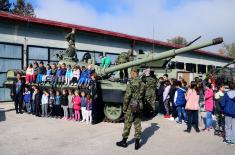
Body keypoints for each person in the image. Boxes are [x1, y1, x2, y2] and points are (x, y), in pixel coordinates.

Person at [116, 67, 145, 150]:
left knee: (127, 124)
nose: (130, 74)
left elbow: (127, 97)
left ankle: (124, 142)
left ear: (133, 73)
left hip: (131, 105)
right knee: (137, 124)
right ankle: (137, 143)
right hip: (139, 105)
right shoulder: (143, 83)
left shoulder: (131, 83)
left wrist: (124, 108)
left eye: (131, 72)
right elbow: (144, 97)